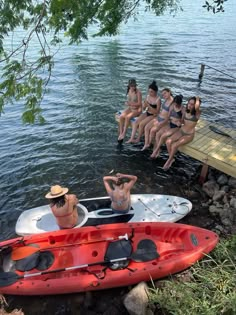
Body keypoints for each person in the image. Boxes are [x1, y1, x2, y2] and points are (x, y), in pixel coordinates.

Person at [162, 96, 201, 170]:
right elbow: (183, 121)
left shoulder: (197, 113)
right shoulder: (186, 110)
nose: (189, 105)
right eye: (189, 103)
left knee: (174, 145)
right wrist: (179, 122)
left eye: (192, 104)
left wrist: (197, 98)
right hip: (181, 131)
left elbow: (197, 107)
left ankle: (169, 160)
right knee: (168, 141)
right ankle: (171, 158)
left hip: (189, 135)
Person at [150, 94, 185, 159]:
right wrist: (174, 120)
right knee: (158, 134)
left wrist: (178, 121)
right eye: (175, 103)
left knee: (163, 136)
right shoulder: (172, 106)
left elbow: (182, 122)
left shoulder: (183, 109)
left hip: (176, 127)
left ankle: (156, 150)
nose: (176, 105)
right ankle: (158, 149)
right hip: (170, 123)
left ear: (180, 103)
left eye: (177, 104)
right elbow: (168, 117)